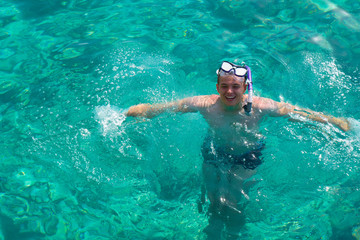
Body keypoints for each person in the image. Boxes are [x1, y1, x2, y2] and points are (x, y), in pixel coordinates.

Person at [126, 61, 350, 238]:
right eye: (224, 86)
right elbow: (171, 107)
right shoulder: (206, 104)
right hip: (214, 152)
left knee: (231, 202)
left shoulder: (260, 107)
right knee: (214, 203)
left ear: (245, 87)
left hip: (248, 156)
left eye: (235, 86)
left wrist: (333, 121)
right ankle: (212, 234)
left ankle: (234, 234)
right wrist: (141, 110)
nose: (230, 91)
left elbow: (295, 113)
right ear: (217, 88)